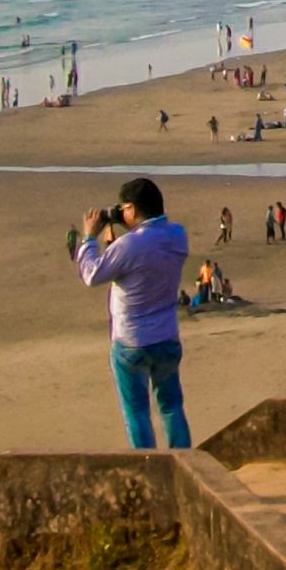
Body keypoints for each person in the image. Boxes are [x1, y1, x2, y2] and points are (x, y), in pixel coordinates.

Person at [74, 177, 192, 450]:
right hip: (166, 336)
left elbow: (92, 274)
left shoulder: (129, 246)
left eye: (122, 209)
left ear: (130, 208)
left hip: (131, 341)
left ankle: (148, 466)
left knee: (137, 413)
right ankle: (186, 461)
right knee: (172, 407)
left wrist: (89, 238)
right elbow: (141, 256)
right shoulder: (178, 235)